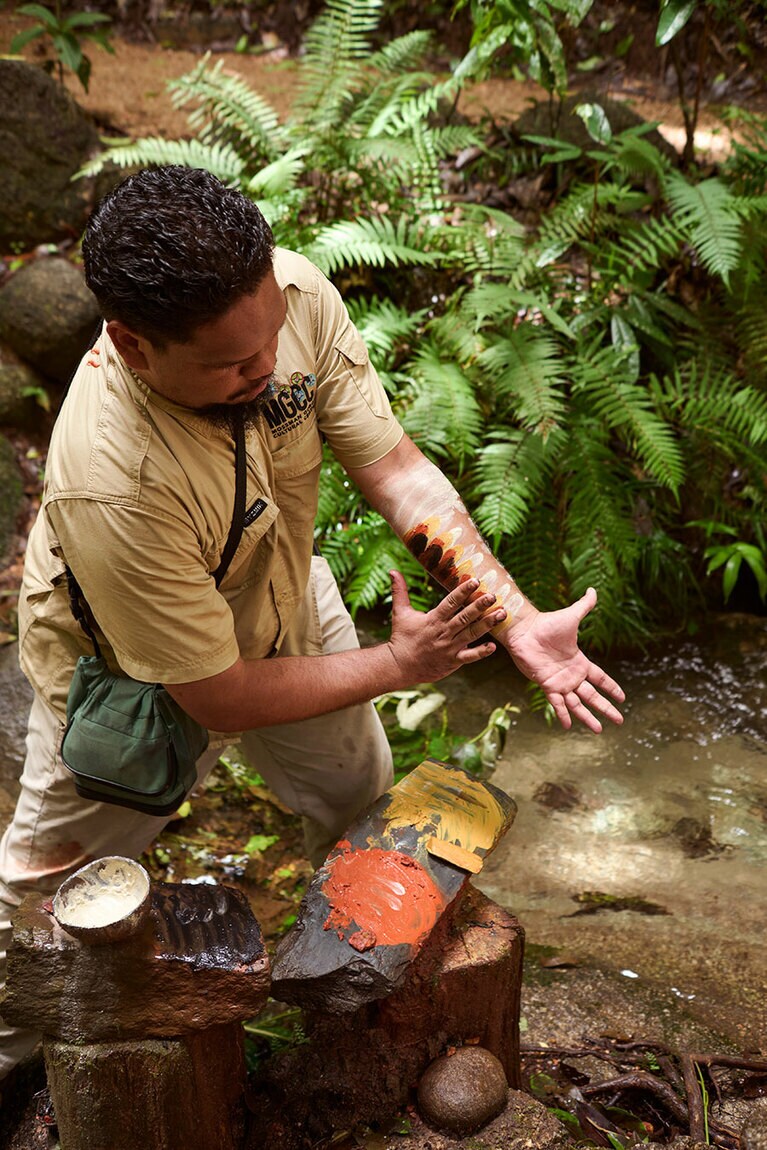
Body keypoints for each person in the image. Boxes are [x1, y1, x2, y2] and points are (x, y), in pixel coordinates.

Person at [0, 165, 624, 1083]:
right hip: (128, 680)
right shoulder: (112, 478)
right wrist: (397, 663)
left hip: (282, 600)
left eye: (268, 341)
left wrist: (514, 616)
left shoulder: (286, 295)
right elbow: (214, 693)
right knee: (44, 902)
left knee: (357, 790)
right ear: (133, 346)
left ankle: (342, 1004)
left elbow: (399, 471)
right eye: (228, 364)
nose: (264, 366)